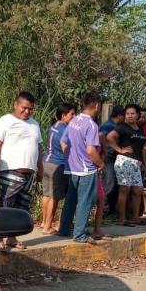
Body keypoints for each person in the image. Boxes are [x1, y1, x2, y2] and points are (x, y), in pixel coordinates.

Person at [0, 91, 44, 251]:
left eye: (30, 109)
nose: (27, 111)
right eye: (24, 108)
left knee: (21, 207)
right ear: (16, 104)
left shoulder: (34, 124)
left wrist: (40, 169)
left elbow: (39, 149)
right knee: (6, 205)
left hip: (29, 173)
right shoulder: (5, 121)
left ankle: (12, 238)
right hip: (10, 171)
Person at [58, 92, 104, 244]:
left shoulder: (73, 120)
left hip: (72, 169)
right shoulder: (91, 125)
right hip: (86, 170)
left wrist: (72, 157)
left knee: (70, 201)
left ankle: (64, 229)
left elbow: (63, 142)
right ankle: (79, 235)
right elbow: (91, 151)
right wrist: (101, 164)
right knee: (84, 202)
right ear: (97, 106)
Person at [41, 102, 76, 234]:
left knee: (46, 194)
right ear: (63, 115)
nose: (74, 116)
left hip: (47, 162)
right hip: (58, 165)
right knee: (55, 197)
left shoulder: (53, 126)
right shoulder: (65, 130)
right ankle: (48, 226)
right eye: (72, 114)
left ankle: (44, 221)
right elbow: (65, 147)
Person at [112, 104, 146, 226]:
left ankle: (135, 217)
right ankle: (122, 219)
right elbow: (109, 137)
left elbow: (142, 148)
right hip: (125, 161)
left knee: (138, 190)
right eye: (127, 113)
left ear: (138, 115)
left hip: (137, 163)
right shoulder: (122, 127)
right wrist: (120, 149)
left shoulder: (140, 129)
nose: (130, 116)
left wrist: (143, 163)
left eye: (132, 113)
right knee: (124, 190)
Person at [99, 105, 125, 216]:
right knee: (109, 184)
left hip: (115, 158)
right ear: (119, 116)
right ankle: (103, 210)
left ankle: (110, 210)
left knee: (114, 185)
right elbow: (103, 140)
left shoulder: (117, 126)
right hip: (109, 158)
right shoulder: (108, 126)